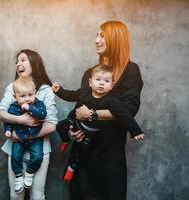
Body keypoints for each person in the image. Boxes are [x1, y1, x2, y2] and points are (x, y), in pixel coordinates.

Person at [53, 20, 145, 200]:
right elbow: (80, 108)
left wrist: (93, 115)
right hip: (83, 154)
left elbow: (129, 109)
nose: (96, 40)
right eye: (97, 35)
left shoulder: (130, 70)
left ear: (115, 39)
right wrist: (73, 130)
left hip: (110, 156)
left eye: (102, 35)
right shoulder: (90, 73)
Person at [52, 64, 144, 182]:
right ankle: (65, 140)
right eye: (98, 79)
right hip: (78, 124)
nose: (101, 83)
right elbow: (70, 95)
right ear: (90, 82)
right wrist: (59, 90)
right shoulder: (84, 92)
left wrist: (135, 131)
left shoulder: (112, 101)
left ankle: (71, 167)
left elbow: (124, 115)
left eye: (106, 81)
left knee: (81, 151)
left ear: (112, 85)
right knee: (60, 126)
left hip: (92, 132)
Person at [0, 49, 58, 200]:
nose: (18, 64)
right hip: (15, 147)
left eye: (23, 60)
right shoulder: (12, 87)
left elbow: (51, 125)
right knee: (16, 195)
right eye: (17, 61)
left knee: (37, 196)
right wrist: (21, 120)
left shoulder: (46, 90)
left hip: (40, 148)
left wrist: (24, 135)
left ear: (34, 63)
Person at [4, 76, 47, 193]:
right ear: (15, 97)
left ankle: (30, 172)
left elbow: (42, 114)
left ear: (35, 93)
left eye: (30, 95)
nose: (27, 99)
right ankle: (18, 175)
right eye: (22, 96)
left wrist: (29, 108)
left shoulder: (38, 105)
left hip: (35, 138)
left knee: (38, 156)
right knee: (15, 156)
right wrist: (8, 130)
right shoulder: (13, 107)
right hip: (18, 138)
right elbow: (8, 120)